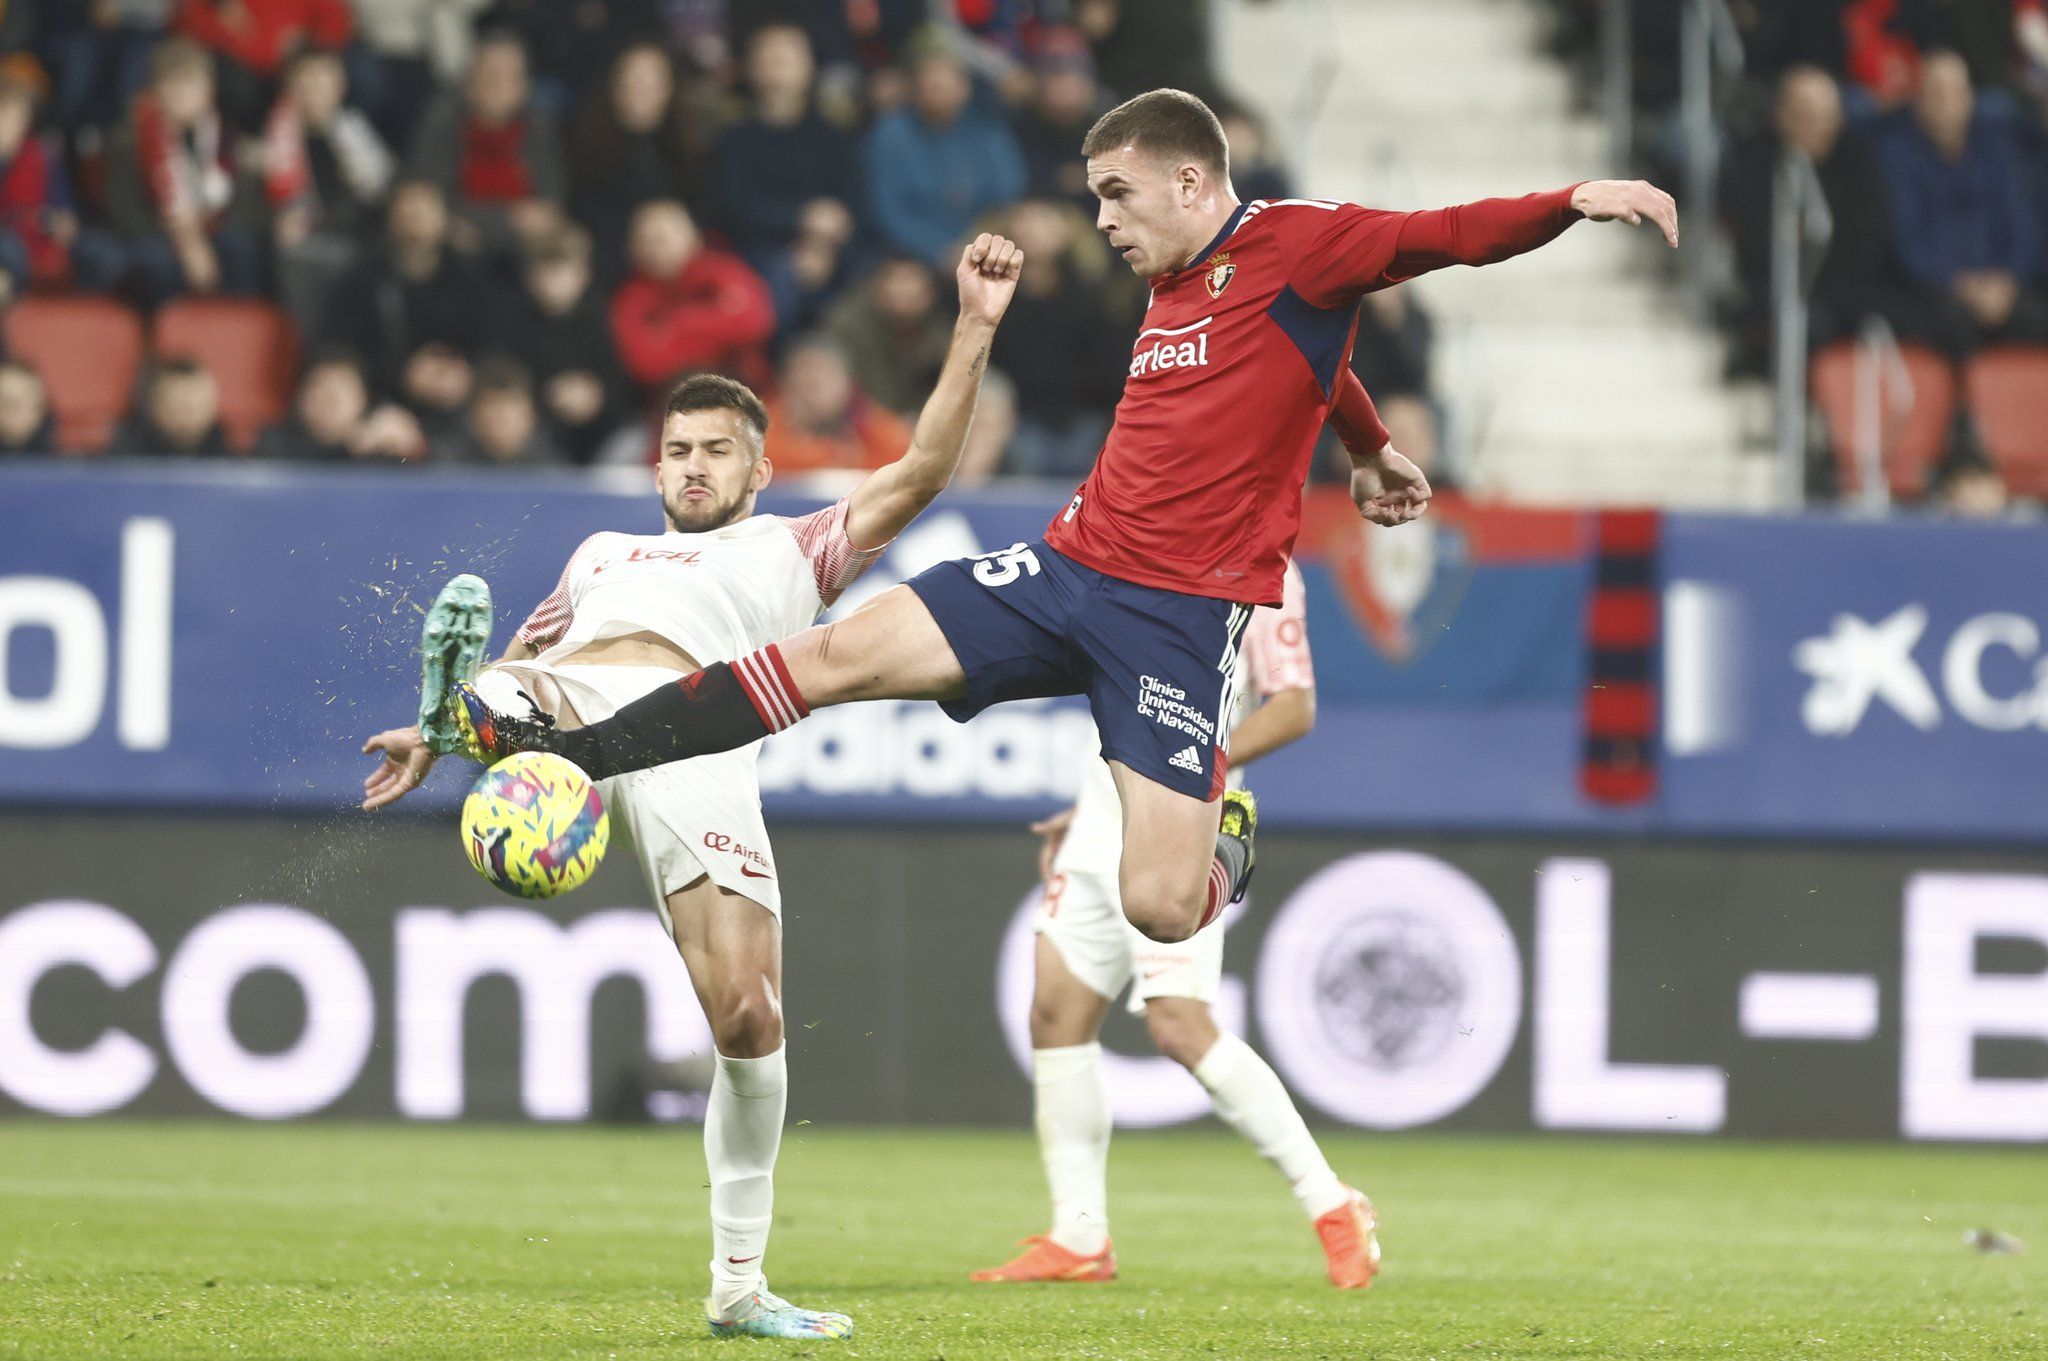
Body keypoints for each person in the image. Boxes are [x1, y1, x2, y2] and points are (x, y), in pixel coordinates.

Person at [452, 88, 1674, 967]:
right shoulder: (1170, 286)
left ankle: (1223, 837)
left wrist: (1571, 198)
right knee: (822, 660)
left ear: (1191, 180)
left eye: (1114, 193)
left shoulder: (1303, 242)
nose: (1099, 219)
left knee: (1157, 906)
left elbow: (1437, 236)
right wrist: (1362, 440)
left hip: (1176, 620)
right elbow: (1302, 360)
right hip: (1060, 564)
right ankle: (581, 760)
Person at [359, 231, 1026, 1342]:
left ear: (758, 468)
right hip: (566, 708)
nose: (694, 466)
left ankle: (736, 1284)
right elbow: (530, 651)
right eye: (677, 449)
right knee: (523, 688)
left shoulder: (792, 547)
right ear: (653, 463)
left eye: (718, 450)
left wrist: (973, 325)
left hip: (693, 743)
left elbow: (921, 474)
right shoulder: (599, 552)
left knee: (749, 1017)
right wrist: (443, 735)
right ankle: (460, 716)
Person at [971, 554, 1379, 1288]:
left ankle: (1333, 1203)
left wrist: (1188, 771)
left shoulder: (1267, 571)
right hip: (1106, 806)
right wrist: (1093, 806)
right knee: (1056, 1012)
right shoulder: (1138, 540)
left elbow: (1293, 707)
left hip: (1182, 820)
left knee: (1180, 1025)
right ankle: (1079, 1236)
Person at [1876, 50, 2047, 357]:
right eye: (1935, 92)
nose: (1946, 103)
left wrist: (2008, 281)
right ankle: (1961, 404)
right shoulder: (1896, 156)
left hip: (2002, 287)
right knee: (1949, 322)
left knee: (2034, 318)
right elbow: (1906, 241)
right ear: (1917, 99)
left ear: (1970, 97)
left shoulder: (1998, 148)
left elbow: (2023, 224)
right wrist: (1963, 286)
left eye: (1955, 92)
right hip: (1937, 290)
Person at [108, 357, 235, 457]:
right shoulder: (123, 460)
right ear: (155, 405)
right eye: (177, 408)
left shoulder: (234, 467)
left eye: (193, 408)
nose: (184, 418)